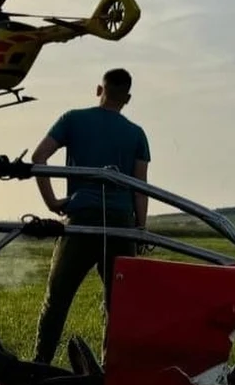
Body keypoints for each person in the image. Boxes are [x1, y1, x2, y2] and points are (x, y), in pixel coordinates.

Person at [30, 68, 150, 365]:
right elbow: (140, 188)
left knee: (57, 299)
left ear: (99, 90)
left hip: (81, 218)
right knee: (118, 305)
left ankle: (40, 365)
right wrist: (141, 229)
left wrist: (51, 202)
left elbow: (38, 157)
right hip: (121, 224)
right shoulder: (137, 134)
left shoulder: (73, 119)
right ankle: (113, 373)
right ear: (128, 98)